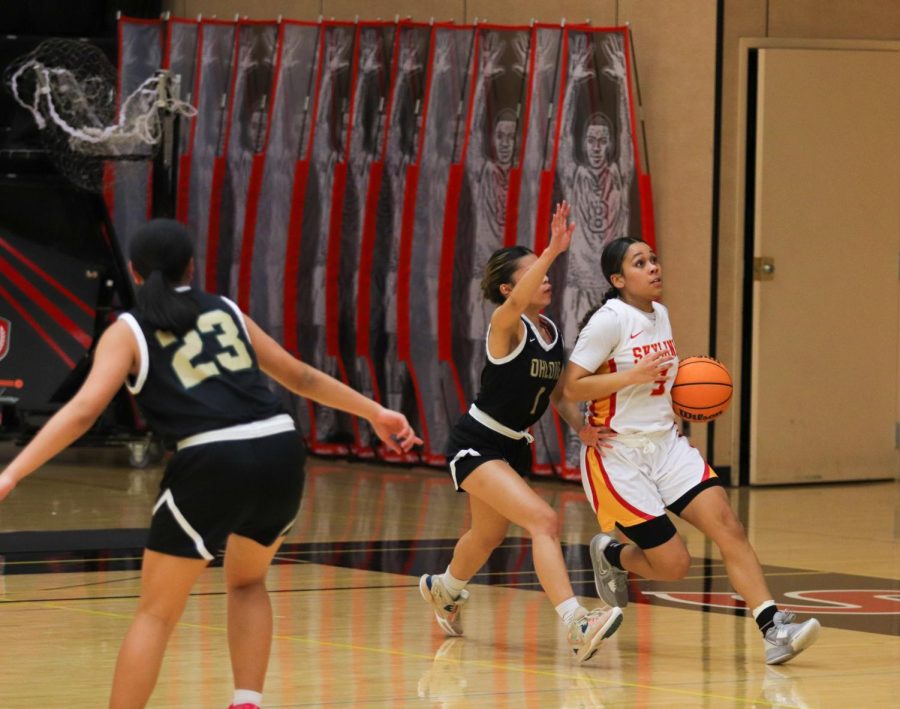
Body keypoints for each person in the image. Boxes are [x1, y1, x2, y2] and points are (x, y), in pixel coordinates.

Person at [0, 219, 422, 709]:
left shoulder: (129, 329)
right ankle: (246, 702)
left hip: (213, 456)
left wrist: (12, 472)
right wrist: (375, 411)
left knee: (156, 614)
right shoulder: (226, 310)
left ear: (135, 274)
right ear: (191, 267)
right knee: (247, 582)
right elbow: (300, 375)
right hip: (280, 448)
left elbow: (82, 411)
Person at [561, 236, 821, 665]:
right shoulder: (608, 321)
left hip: (667, 446)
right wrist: (625, 384)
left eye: (654, 259)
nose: (653, 267)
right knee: (674, 566)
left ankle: (774, 627)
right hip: (619, 455)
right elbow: (571, 386)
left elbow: (662, 383)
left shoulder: (659, 314)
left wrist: (679, 414)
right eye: (640, 263)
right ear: (617, 279)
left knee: (728, 526)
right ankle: (613, 554)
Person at [419, 202, 623, 664]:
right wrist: (552, 249)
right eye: (533, 272)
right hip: (477, 442)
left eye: (546, 268)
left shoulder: (549, 329)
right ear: (511, 288)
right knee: (544, 522)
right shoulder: (504, 326)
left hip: (513, 447)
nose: (546, 276)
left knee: (486, 536)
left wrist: (581, 429)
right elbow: (512, 303)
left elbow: (556, 394)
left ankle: (443, 588)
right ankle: (577, 622)